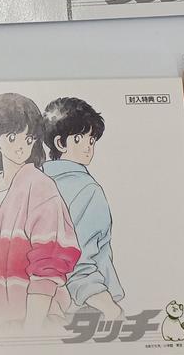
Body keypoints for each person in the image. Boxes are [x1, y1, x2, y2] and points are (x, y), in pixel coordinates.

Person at [0, 94, 81, 334]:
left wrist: (32, 328)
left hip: (41, 319)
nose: (22, 146)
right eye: (12, 137)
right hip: (2, 319)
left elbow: (50, 258)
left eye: (29, 139)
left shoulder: (40, 185)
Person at [41, 97, 124, 319]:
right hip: (88, 301)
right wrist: (111, 309)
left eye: (92, 140)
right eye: (79, 139)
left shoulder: (36, 181)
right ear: (60, 144)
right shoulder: (87, 189)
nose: (88, 147)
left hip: (44, 301)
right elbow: (80, 259)